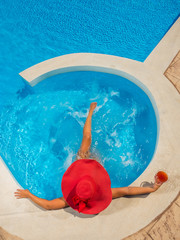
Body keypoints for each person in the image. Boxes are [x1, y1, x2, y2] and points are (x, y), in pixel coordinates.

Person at [14, 102, 164, 214]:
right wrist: (151, 188)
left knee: (87, 144)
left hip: (89, 163)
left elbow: (47, 205)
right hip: (90, 163)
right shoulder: (102, 193)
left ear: (76, 183)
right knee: (89, 145)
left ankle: (91, 113)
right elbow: (128, 190)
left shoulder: (71, 198)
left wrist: (28, 194)